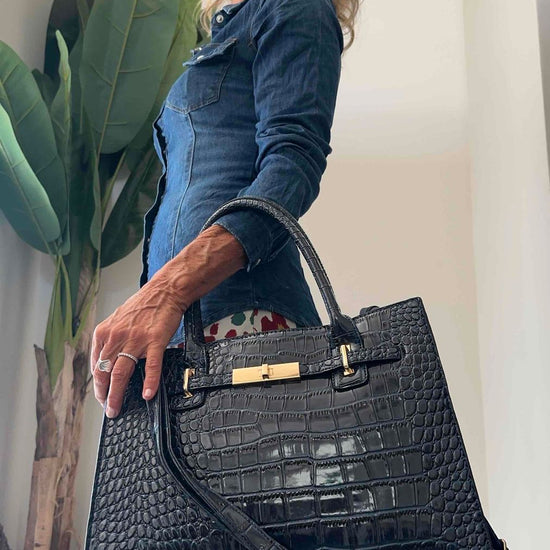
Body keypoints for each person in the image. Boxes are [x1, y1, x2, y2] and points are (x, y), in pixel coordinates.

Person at [90, 0, 360, 419]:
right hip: (185, 327)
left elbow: (292, 166)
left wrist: (168, 290)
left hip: (241, 322)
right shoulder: (229, 27)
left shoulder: (293, 7)